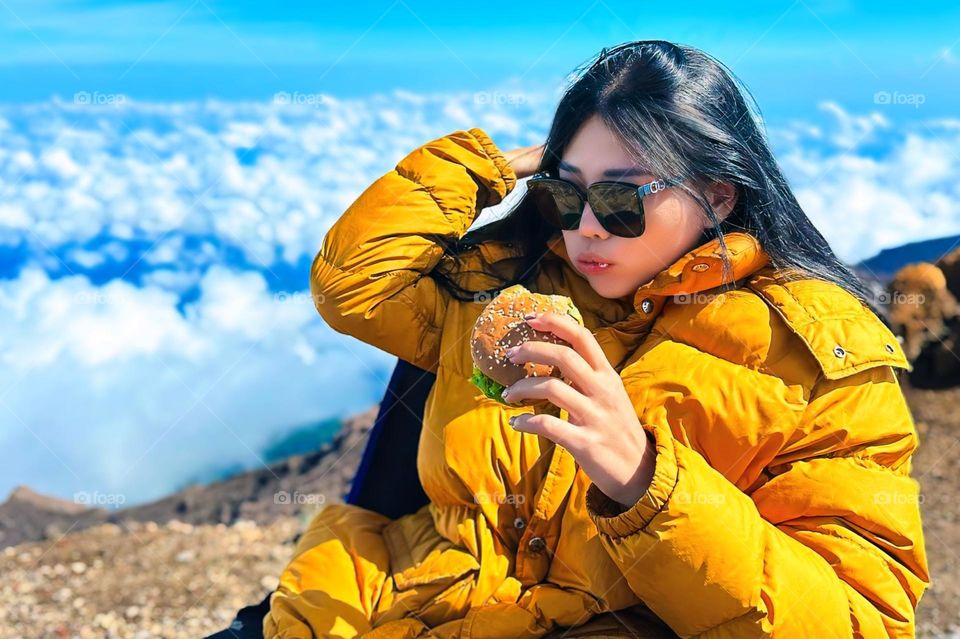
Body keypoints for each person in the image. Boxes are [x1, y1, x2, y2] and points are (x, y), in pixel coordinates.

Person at [264, 40, 929, 638]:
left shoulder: (821, 360)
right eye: (565, 191)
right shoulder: (500, 285)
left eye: (622, 198)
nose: (586, 227)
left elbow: (857, 619)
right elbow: (353, 287)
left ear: (718, 197)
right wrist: (494, 167)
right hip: (388, 601)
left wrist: (645, 477)